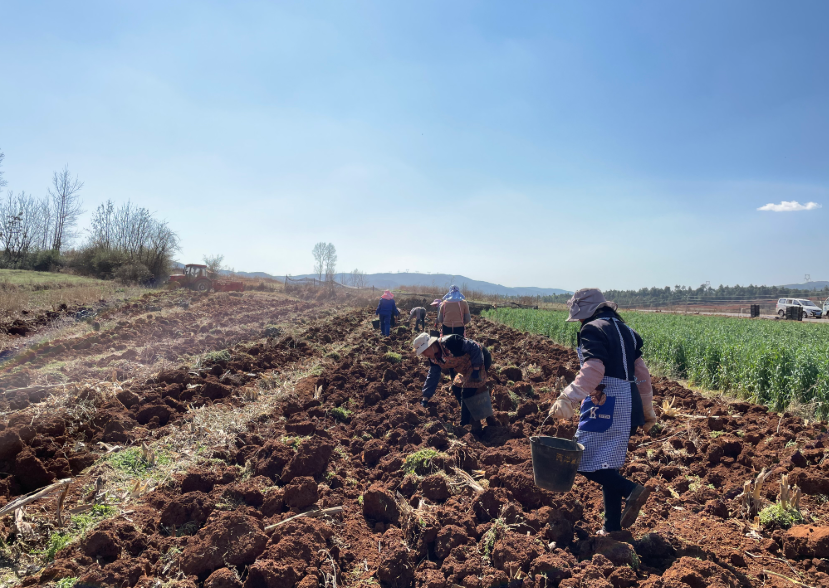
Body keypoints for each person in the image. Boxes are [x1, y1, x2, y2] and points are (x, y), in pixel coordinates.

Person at [548, 288, 657, 535]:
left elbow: (594, 369)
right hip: (630, 403)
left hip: (607, 402)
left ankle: (631, 490)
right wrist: (647, 409)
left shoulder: (592, 329)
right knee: (608, 466)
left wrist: (569, 397)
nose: (580, 322)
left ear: (585, 313)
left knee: (583, 461)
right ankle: (611, 528)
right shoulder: (628, 332)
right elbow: (641, 374)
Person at [413, 332, 496, 433]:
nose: (424, 355)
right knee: (456, 387)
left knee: (468, 390)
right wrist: (426, 397)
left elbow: (474, 347)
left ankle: (467, 424)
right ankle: (474, 417)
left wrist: (476, 369)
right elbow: (433, 375)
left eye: (424, 351)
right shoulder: (433, 358)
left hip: (479, 360)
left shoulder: (451, 341)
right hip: (465, 368)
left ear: (430, 345)